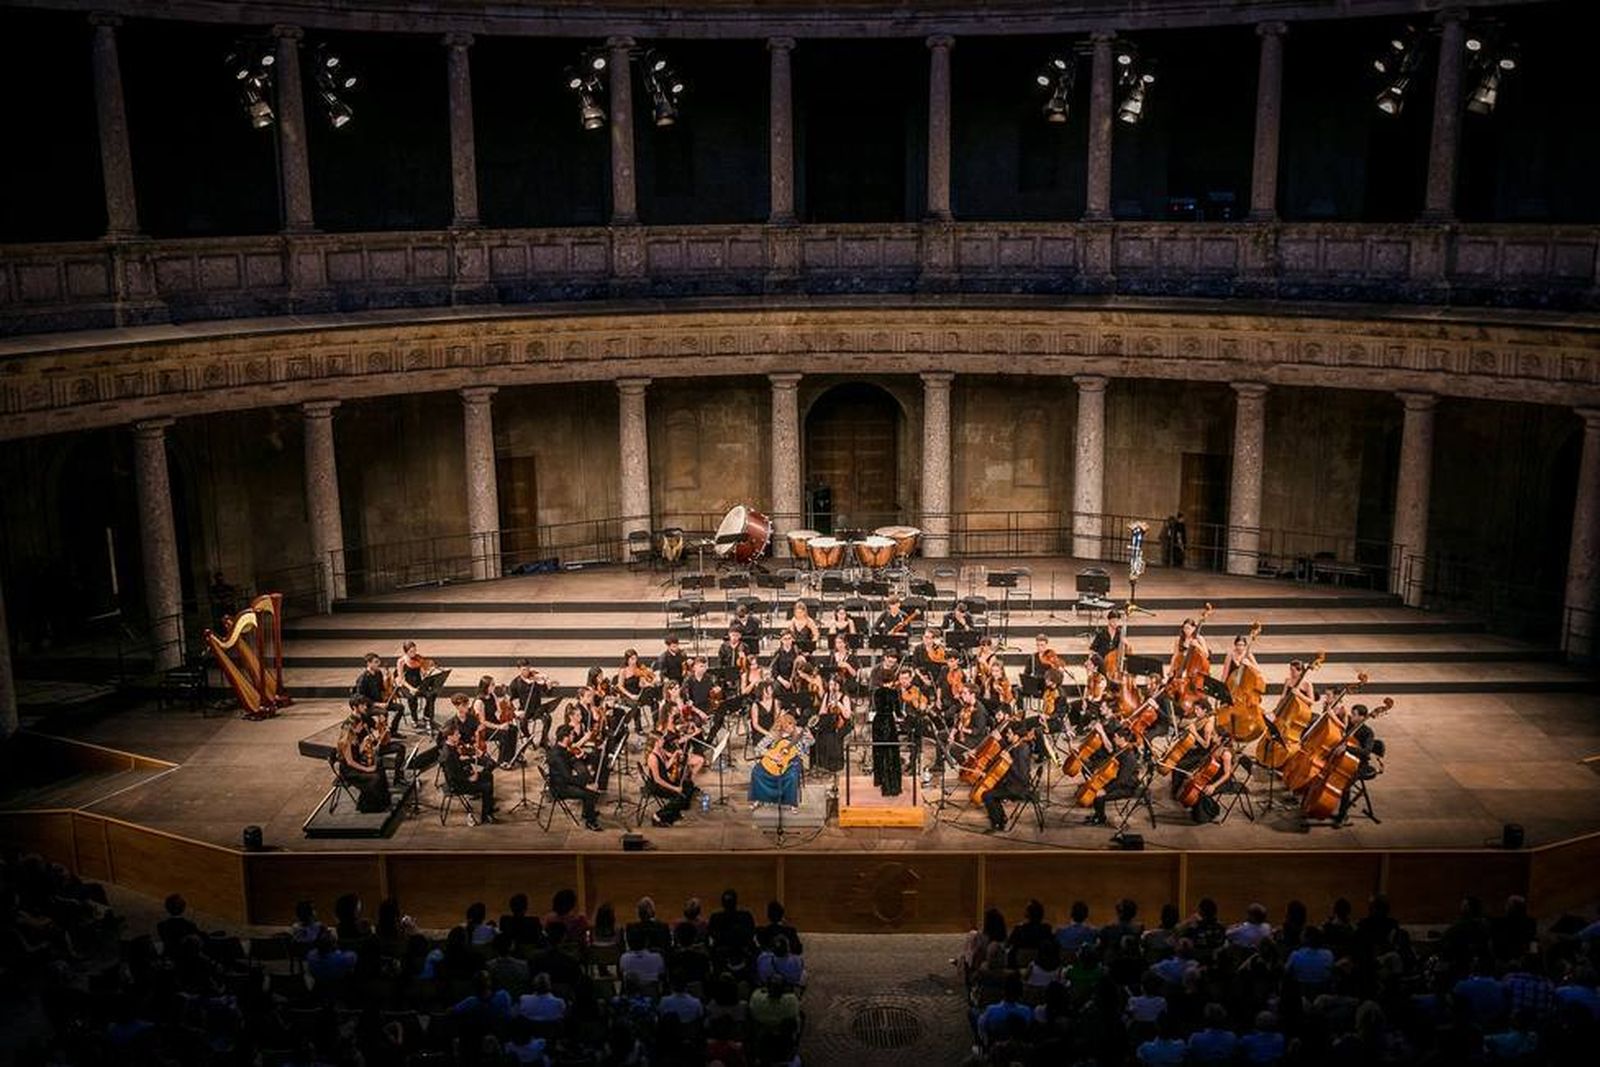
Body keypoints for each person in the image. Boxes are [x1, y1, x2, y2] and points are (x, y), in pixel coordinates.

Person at [981, 721, 1036, 832]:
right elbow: (1007, 749)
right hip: (1012, 784)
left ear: (1016, 736)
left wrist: (1009, 761)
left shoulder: (1022, 750)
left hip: (1019, 788)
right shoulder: (1015, 746)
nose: (1007, 735)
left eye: (1009, 733)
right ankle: (1001, 818)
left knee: (987, 795)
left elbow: (1022, 776)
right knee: (992, 790)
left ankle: (997, 823)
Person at [750, 712, 811, 812]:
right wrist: (771, 755)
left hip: (793, 760)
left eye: (793, 726)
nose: (791, 729)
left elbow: (810, 743)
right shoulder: (774, 734)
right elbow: (758, 748)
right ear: (782, 727)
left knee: (792, 775)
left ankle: (792, 803)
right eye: (788, 727)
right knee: (757, 771)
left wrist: (809, 737)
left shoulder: (799, 732)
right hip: (775, 759)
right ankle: (759, 799)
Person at [547, 726, 604, 831]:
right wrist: (586, 785)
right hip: (560, 788)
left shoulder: (560, 749)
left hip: (562, 781)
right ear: (566, 737)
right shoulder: (557, 755)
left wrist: (575, 758)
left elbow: (566, 758)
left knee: (587, 777)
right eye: (572, 734)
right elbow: (568, 777)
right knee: (589, 792)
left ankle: (587, 811)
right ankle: (590, 822)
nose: (573, 736)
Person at [440, 723, 496, 823]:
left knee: (488, 775)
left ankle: (489, 807)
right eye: (457, 734)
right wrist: (469, 777)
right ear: (450, 736)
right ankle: (486, 816)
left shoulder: (452, 746)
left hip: (462, 776)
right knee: (486, 786)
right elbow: (453, 775)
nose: (459, 736)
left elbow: (458, 764)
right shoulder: (448, 755)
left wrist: (470, 763)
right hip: (457, 784)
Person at [336, 712, 391, 812]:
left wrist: (364, 743)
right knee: (375, 777)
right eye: (360, 725)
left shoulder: (354, 736)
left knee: (379, 766)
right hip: (349, 772)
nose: (362, 727)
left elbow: (357, 752)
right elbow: (350, 762)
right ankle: (369, 806)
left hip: (356, 764)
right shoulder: (345, 742)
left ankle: (384, 801)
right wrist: (367, 769)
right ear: (353, 727)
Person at [644, 735, 692, 827]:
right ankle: (658, 816)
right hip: (657, 786)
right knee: (680, 796)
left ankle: (673, 813)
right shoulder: (652, 758)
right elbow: (657, 779)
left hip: (664, 780)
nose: (663, 741)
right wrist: (675, 788)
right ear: (656, 743)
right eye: (661, 739)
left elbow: (665, 766)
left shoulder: (660, 751)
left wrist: (675, 755)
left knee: (688, 786)